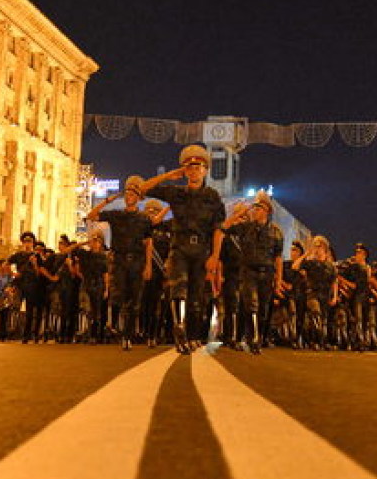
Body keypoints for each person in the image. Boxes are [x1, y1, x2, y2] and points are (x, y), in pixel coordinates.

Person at [137, 144, 226, 353]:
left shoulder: (212, 197)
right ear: (185, 171)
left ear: (205, 171)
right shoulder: (176, 193)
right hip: (179, 248)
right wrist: (169, 175)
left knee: (196, 296)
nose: (194, 171)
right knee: (178, 288)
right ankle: (179, 327)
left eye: (198, 167)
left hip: (201, 250)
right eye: (190, 167)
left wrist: (215, 255)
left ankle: (193, 335)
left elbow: (219, 228)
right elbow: (143, 188)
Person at [87, 176, 154, 351]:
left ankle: (127, 336)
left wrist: (148, 265)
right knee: (121, 297)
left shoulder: (144, 219)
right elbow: (91, 216)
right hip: (119, 261)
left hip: (137, 261)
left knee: (134, 300)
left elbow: (149, 242)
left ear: (139, 198)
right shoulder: (115, 215)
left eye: (133, 193)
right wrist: (108, 200)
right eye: (127, 193)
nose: (129, 196)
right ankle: (118, 328)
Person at [220, 191, 283, 354]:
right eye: (254, 208)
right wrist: (240, 213)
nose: (255, 211)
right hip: (248, 272)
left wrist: (279, 279)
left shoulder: (276, 232)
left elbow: (278, 258)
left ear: (267, 210)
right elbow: (224, 227)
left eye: (259, 208)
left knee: (262, 309)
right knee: (252, 305)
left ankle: (256, 337)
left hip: (267, 273)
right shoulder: (245, 228)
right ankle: (254, 340)